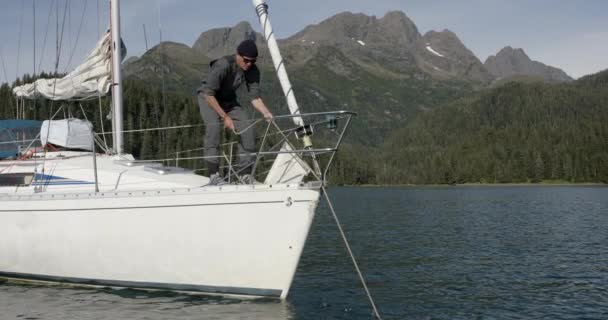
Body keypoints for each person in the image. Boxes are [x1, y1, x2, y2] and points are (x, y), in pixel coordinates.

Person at [197, 39, 273, 185]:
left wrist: (266, 112)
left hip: (229, 101)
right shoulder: (223, 65)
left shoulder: (253, 70)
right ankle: (214, 175)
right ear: (238, 55)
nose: (249, 64)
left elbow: (255, 98)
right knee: (214, 127)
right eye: (246, 60)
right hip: (208, 97)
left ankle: (245, 176)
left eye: (253, 61)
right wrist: (225, 117)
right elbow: (209, 94)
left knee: (247, 129)